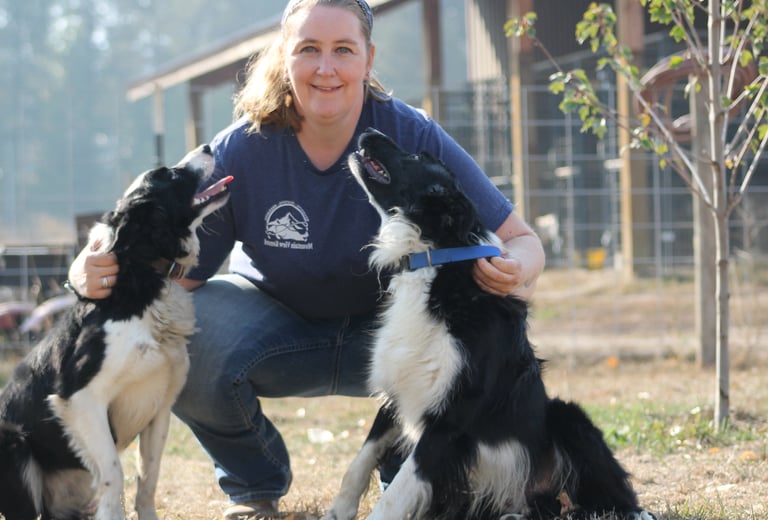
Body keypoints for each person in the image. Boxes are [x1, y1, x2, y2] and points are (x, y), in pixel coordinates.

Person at [67, 0, 546, 518]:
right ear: (284, 56)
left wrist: (515, 267)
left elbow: (524, 241)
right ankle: (255, 488)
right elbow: (161, 271)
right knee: (192, 331)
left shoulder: (411, 135)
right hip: (278, 331)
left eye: (343, 49)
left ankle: (407, 480)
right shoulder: (243, 148)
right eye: (309, 50)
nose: (326, 68)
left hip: (393, 337)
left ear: (368, 57)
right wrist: (82, 274)